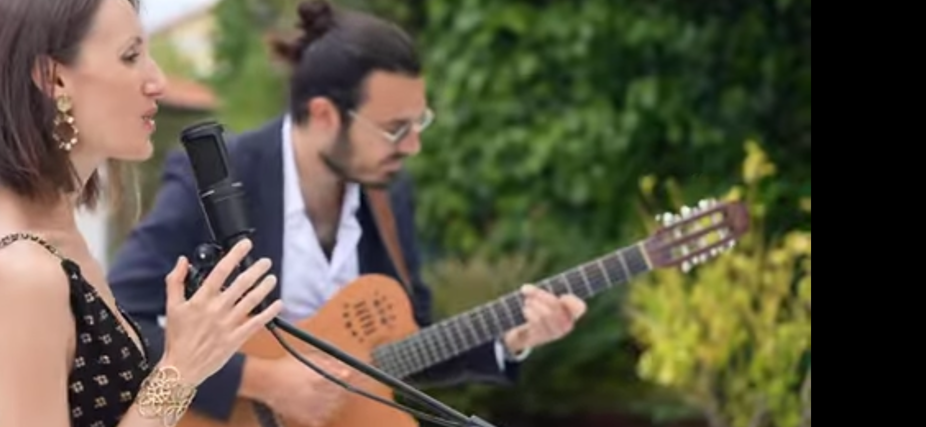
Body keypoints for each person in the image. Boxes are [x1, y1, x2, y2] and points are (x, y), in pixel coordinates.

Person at [107, 1, 590, 426]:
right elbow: (122, 318)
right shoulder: (216, 176)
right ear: (324, 116)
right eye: (396, 129)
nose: (414, 146)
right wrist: (263, 380)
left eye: (419, 124)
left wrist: (511, 338)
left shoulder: (387, 193)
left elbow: (404, 339)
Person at [0, 1, 285, 426]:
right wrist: (182, 369)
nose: (156, 81)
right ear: (54, 78)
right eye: (130, 57)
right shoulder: (24, 270)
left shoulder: (37, 233)